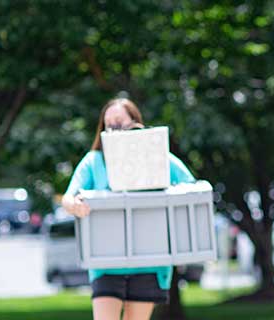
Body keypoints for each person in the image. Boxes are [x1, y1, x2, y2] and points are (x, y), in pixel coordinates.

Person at [61, 98, 196, 320]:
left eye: (119, 121)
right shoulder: (93, 161)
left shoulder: (158, 158)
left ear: (135, 123)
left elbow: (191, 187)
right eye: (108, 123)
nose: (113, 127)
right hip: (106, 264)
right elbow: (68, 197)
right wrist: (75, 205)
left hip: (149, 264)